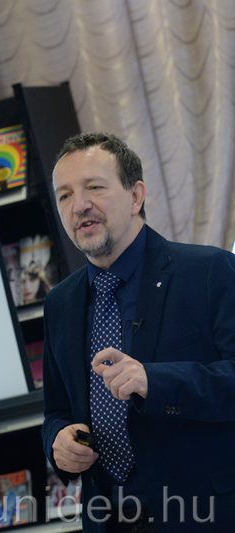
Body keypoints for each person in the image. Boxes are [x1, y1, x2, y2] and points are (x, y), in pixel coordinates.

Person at [41, 132, 235, 533]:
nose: (79, 205)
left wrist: (154, 381)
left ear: (135, 196)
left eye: (94, 187)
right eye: (65, 195)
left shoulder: (209, 272)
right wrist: (58, 440)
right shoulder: (59, 304)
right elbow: (56, 411)